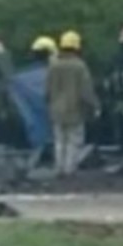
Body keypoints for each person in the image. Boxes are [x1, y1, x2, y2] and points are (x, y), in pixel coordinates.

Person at [47, 31, 100, 177]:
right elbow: (86, 89)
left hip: (56, 109)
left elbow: (47, 89)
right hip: (74, 109)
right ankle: (69, 169)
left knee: (59, 141)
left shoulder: (53, 65)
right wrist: (95, 105)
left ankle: (59, 168)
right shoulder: (80, 66)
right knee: (74, 140)